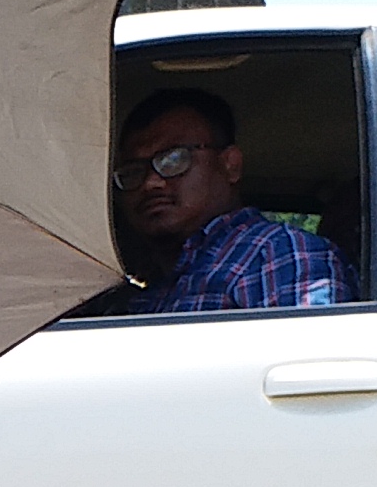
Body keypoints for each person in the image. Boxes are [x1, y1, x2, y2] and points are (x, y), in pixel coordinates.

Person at [74, 87, 355, 317]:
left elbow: (309, 372)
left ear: (230, 165)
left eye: (174, 160)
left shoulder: (278, 253)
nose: (152, 182)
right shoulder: (143, 292)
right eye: (133, 171)